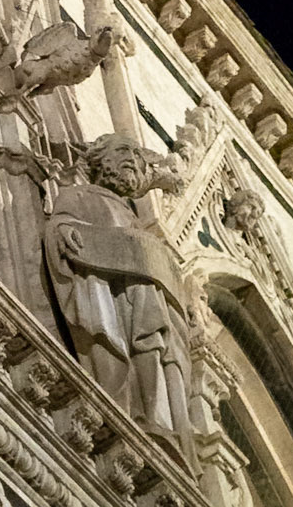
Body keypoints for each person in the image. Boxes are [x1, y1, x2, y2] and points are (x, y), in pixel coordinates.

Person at [44, 134, 196, 465]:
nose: (133, 159)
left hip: (143, 291)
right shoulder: (80, 195)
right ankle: (130, 408)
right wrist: (66, 231)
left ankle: (153, 417)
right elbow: (61, 223)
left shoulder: (132, 217)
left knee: (152, 344)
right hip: (111, 292)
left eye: (138, 157)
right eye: (123, 151)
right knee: (132, 341)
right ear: (102, 161)